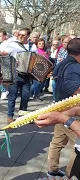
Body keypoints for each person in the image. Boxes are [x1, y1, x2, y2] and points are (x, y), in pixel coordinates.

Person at [45, 38, 80, 178]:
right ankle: (70, 176)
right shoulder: (74, 67)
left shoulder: (61, 63)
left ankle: (52, 170)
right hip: (72, 112)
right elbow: (75, 90)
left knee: (57, 142)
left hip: (60, 109)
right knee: (76, 148)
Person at [0, 27, 37, 123]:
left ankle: (22, 116)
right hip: (15, 74)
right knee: (12, 96)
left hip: (28, 75)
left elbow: (36, 58)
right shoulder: (13, 45)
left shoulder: (32, 47)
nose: (20, 36)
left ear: (28, 36)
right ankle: (10, 116)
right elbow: (2, 54)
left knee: (25, 97)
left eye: (23, 35)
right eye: (19, 34)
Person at [36, 106, 80, 178]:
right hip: (66, 116)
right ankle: (67, 175)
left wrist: (63, 118)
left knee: (57, 143)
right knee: (62, 145)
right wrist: (75, 111)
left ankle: (54, 171)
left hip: (67, 118)